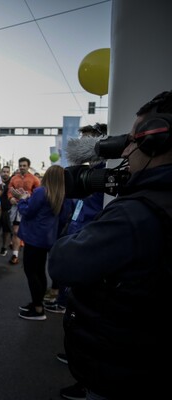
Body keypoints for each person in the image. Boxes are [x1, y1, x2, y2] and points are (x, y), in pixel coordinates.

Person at [49, 90, 172, 400]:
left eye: (131, 140)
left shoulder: (136, 215)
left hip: (125, 372)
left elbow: (63, 263)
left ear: (156, 138)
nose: (126, 150)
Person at [50, 123, 108, 400]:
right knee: (76, 313)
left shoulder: (106, 175)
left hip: (91, 248)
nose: (81, 146)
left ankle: (89, 384)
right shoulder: (89, 174)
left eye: (87, 140)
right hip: (76, 238)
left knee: (89, 317)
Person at [11, 165, 66, 321]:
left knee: (32, 272)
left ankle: (38, 309)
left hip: (33, 237)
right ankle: (37, 303)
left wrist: (22, 200)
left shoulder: (42, 191)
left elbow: (27, 211)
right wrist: (28, 198)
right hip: (46, 238)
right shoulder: (59, 193)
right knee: (40, 272)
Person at [6, 157, 40, 265]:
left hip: (29, 208)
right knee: (15, 231)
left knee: (27, 232)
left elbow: (38, 193)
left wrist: (29, 199)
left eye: (24, 165)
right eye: (20, 165)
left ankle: (29, 255)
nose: (22, 167)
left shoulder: (34, 179)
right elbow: (9, 190)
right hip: (16, 208)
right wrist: (10, 198)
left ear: (28, 166)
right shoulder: (14, 178)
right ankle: (15, 255)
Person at [0, 165, 13, 257]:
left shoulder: (12, 182)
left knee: (6, 231)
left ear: (9, 173)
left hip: (7, 210)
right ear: (1, 172)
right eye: (4, 171)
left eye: (7, 172)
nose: (5, 173)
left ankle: (4, 248)